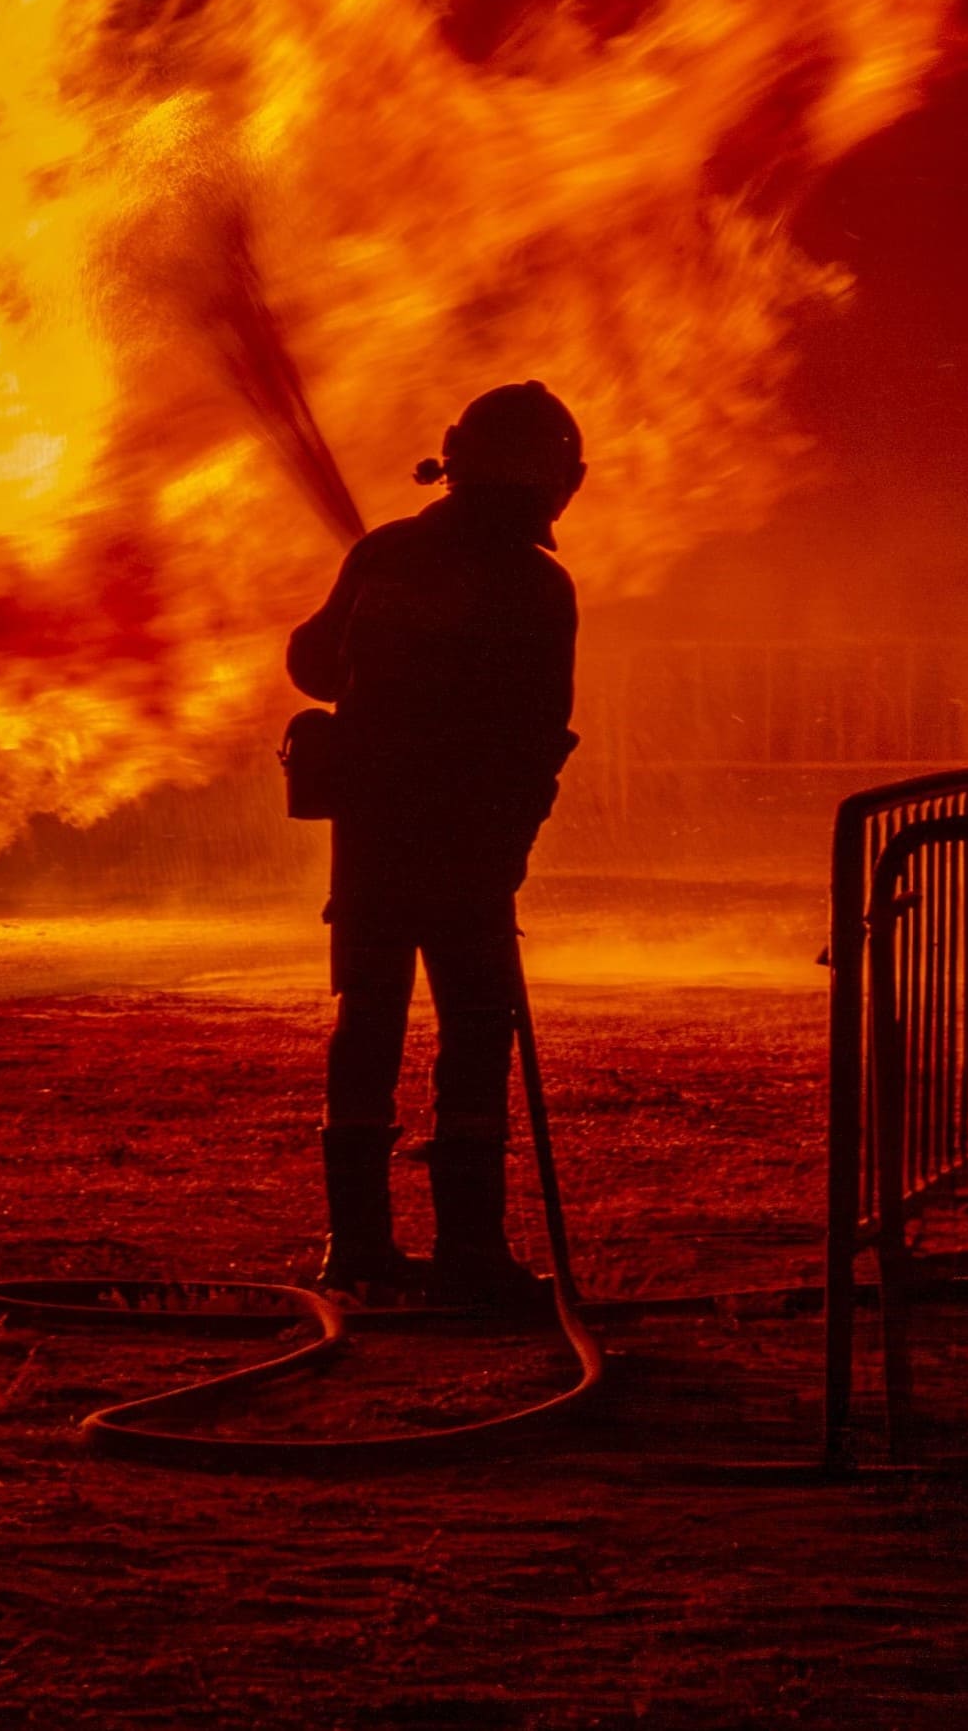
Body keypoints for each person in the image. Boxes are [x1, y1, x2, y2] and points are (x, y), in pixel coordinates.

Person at [282, 378, 588, 1312]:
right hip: (468, 847)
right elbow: (541, 732)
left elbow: (313, 665)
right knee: (476, 1033)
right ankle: (470, 1251)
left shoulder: (386, 551)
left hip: (374, 841)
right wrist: (512, 844)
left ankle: (356, 1248)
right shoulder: (537, 585)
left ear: (453, 461)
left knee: (367, 1025)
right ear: (554, 480)